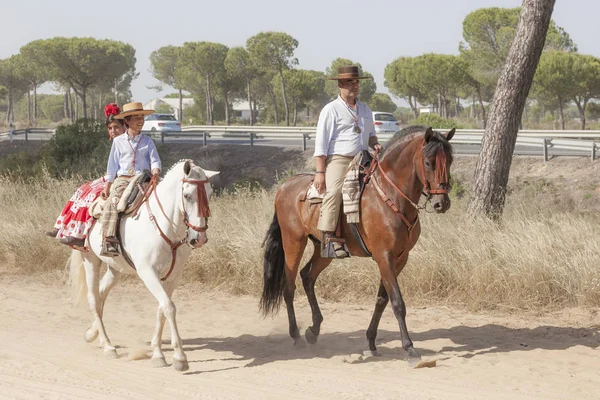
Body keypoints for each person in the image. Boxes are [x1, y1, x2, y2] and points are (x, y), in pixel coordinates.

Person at [313, 65, 383, 258]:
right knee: (334, 191)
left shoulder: (365, 109)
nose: (354, 86)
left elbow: (370, 135)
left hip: (363, 158)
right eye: (349, 83)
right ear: (340, 86)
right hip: (339, 159)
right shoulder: (331, 110)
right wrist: (320, 172)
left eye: (356, 82)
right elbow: (321, 144)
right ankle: (328, 237)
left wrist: (375, 143)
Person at [46, 103, 126, 247]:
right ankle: (62, 228)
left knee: (92, 195)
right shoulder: (116, 142)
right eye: (110, 128)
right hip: (111, 177)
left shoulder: (127, 141)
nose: (113, 131)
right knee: (82, 190)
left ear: (124, 127)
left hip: (121, 178)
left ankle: (81, 235)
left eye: (116, 127)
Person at [100, 102, 161, 256]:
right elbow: (112, 166)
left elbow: (154, 160)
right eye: (136, 118)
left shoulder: (148, 141)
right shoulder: (118, 141)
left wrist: (155, 171)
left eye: (142, 117)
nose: (141, 121)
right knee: (113, 202)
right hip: (124, 179)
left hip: (143, 178)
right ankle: (109, 238)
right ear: (127, 121)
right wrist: (107, 187)